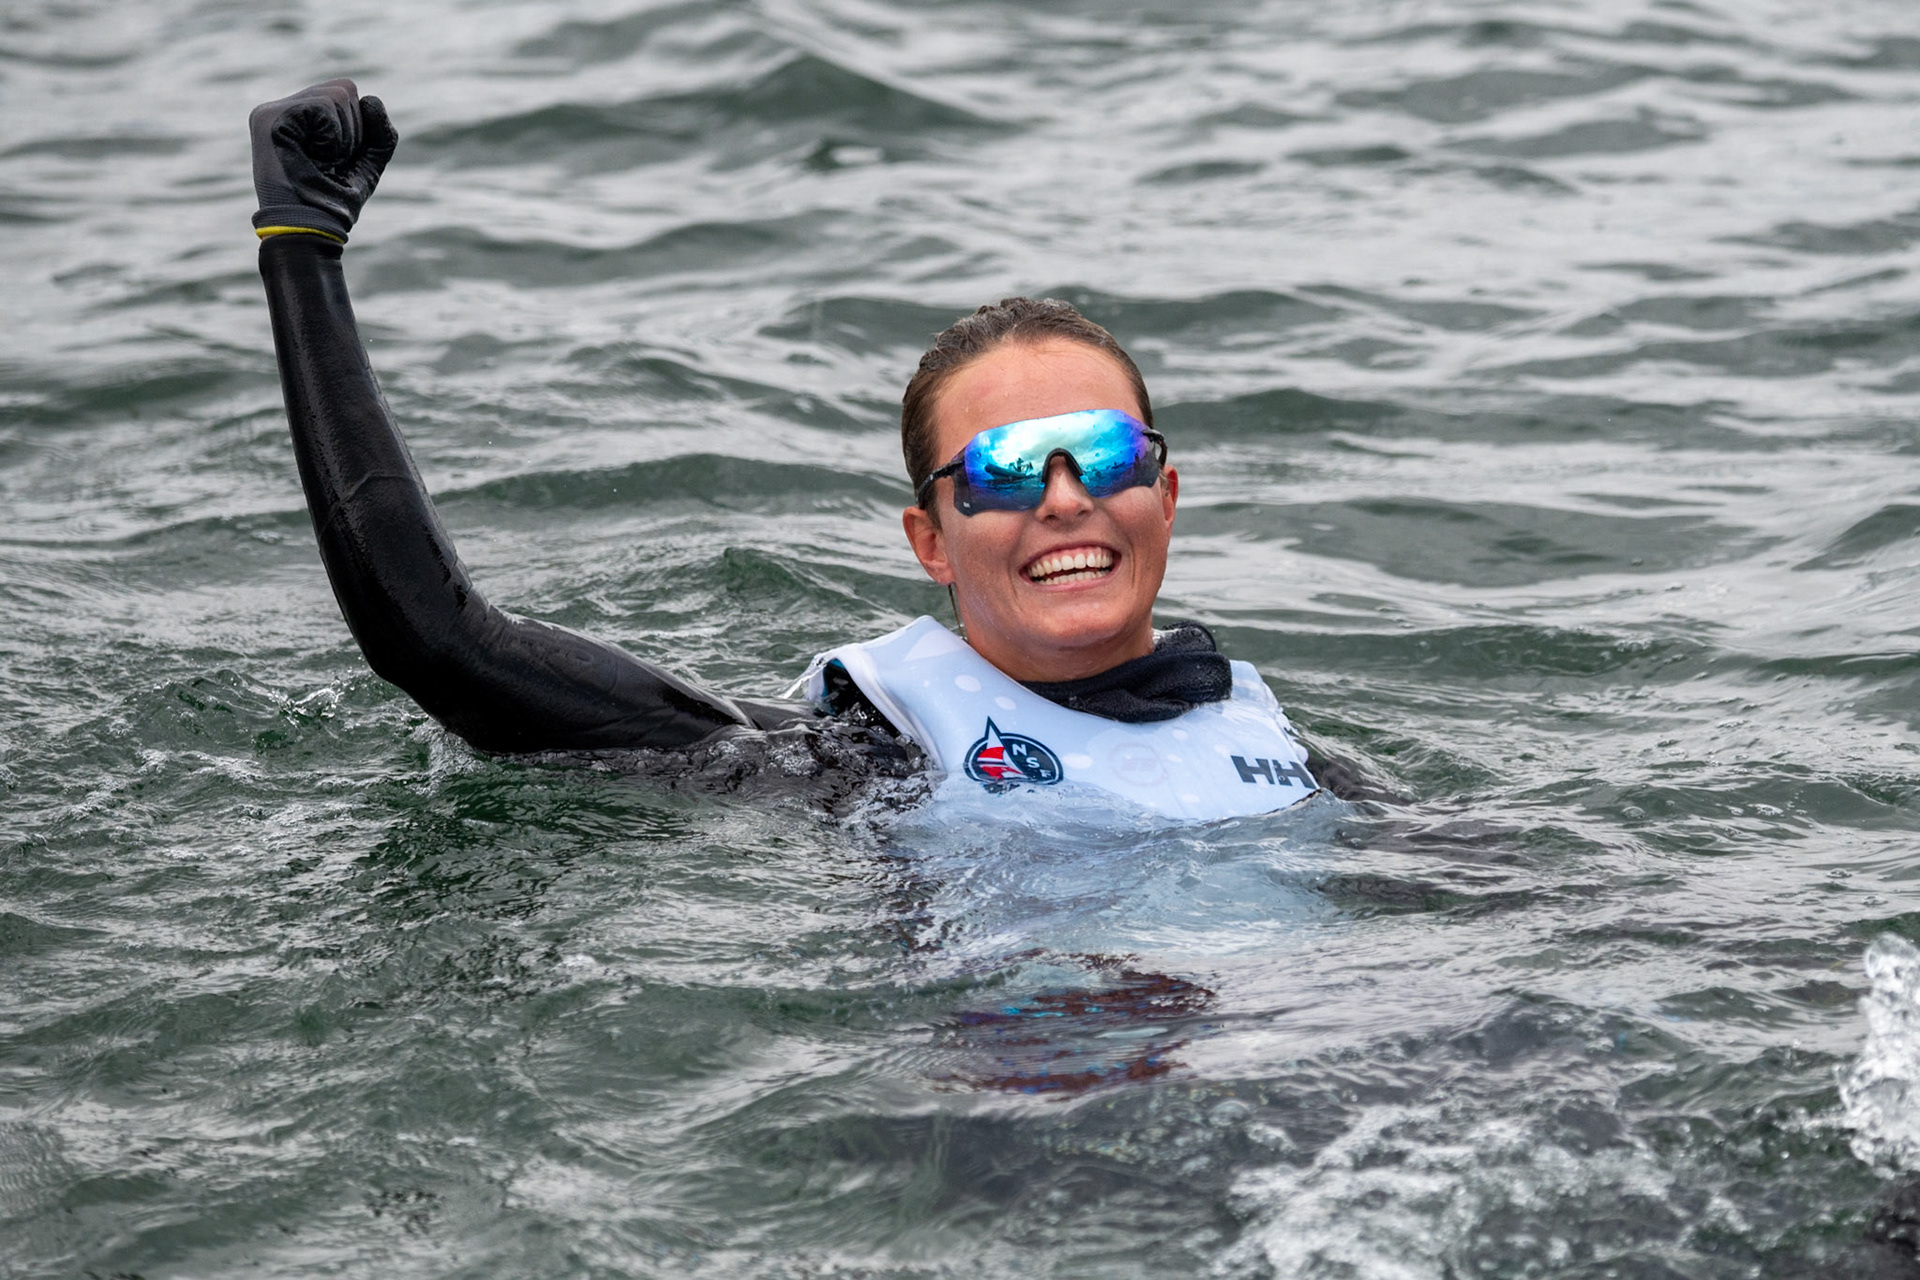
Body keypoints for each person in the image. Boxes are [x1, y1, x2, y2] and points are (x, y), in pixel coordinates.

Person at [250, 79, 1351, 819]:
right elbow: (444, 643)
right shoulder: (872, 752)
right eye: (1007, 471)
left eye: (1102, 454)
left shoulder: (1282, 748)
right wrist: (304, 249)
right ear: (930, 538)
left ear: (1165, 493)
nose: (1065, 499)